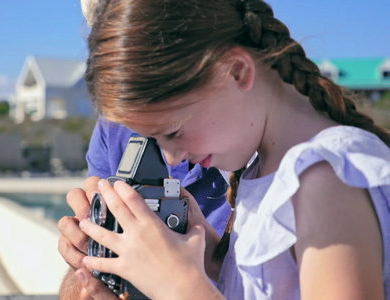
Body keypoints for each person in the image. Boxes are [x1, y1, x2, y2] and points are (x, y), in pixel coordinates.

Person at [67, 0, 390, 299]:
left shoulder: (326, 180)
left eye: (174, 132)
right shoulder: (264, 171)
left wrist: (178, 285)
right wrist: (210, 257)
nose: (171, 158)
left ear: (237, 71)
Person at [57, 117, 232, 299]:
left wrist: (184, 285)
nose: (171, 159)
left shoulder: (255, 162)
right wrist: (88, 263)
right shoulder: (114, 122)